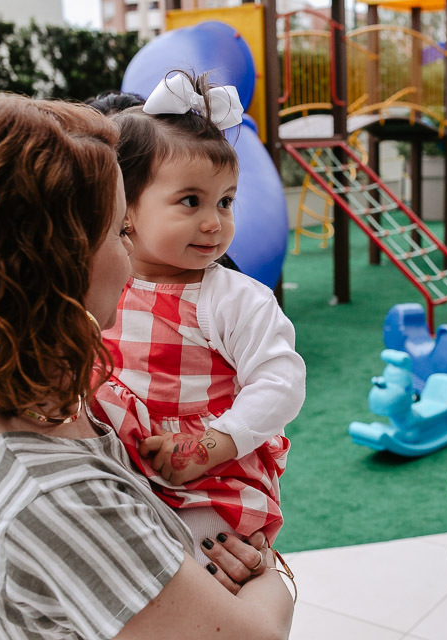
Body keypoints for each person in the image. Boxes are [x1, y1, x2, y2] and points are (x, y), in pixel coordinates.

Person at [0, 91, 293, 639]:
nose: (133, 256)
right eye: (121, 230)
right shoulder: (55, 498)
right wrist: (274, 577)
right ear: (56, 263)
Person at [89, 71, 306, 565]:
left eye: (225, 202)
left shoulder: (231, 297)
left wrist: (214, 443)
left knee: (195, 561)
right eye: (191, 201)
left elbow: (280, 380)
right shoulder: (106, 281)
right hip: (125, 466)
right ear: (125, 207)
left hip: (209, 479)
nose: (215, 223)